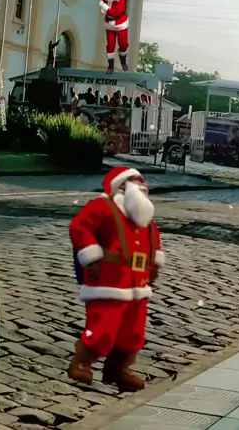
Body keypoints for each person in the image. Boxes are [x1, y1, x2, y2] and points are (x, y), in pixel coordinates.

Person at [68, 167, 165, 391]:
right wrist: (91, 257)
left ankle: (118, 369)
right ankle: (82, 361)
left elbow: (154, 241)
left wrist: (154, 264)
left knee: (133, 331)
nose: (143, 186)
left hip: (138, 284)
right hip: (108, 281)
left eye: (143, 182)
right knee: (102, 325)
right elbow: (79, 227)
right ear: (121, 186)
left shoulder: (143, 218)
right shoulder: (103, 206)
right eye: (136, 181)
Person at [91, 0, 129, 74]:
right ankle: (110, 66)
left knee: (123, 44)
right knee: (110, 46)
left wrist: (103, 5)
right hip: (109, 25)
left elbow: (114, 13)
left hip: (121, 24)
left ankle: (123, 62)